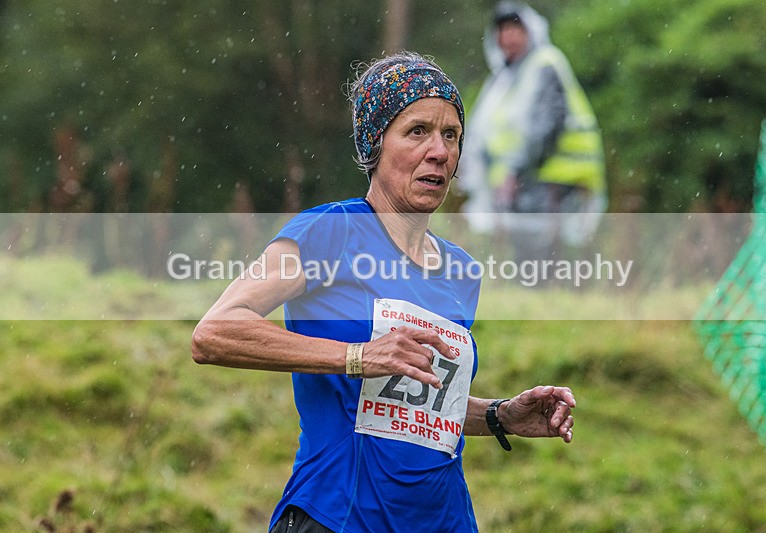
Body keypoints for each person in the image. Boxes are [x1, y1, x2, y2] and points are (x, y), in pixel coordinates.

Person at [191, 51, 575, 533]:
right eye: (417, 131)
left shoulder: (461, 270)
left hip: (444, 519)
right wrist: (357, 356)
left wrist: (498, 416)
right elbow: (215, 332)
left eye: (451, 135)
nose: (439, 150)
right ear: (376, 143)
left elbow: (409, 403)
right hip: (340, 514)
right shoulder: (332, 231)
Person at [459, 1, 607, 263]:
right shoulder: (505, 79)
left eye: (516, 29)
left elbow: (547, 125)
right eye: (503, 30)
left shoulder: (544, 64)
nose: (508, 36)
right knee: (529, 256)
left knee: (543, 257)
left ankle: (552, 298)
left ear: (530, 32)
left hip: (550, 179)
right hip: (526, 182)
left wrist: (515, 171)